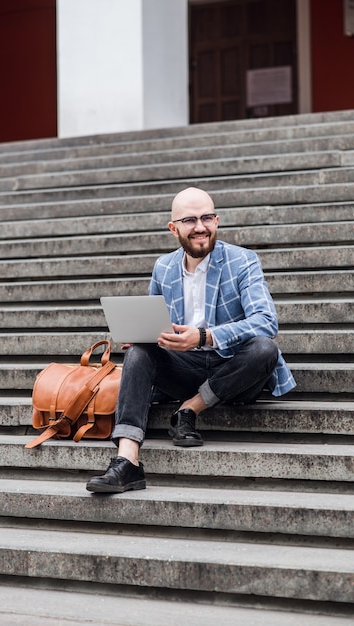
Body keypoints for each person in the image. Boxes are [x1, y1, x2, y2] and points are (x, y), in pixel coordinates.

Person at [86, 187, 296, 493]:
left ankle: (190, 409)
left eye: (207, 217)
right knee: (139, 353)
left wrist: (205, 336)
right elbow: (154, 320)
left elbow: (266, 322)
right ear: (174, 228)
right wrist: (143, 337)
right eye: (190, 220)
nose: (201, 227)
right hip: (185, 368)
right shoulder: (164, 267)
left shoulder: (243, 261)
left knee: (265, 349)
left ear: (217, 220)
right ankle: (127, 461)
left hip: (235, 370)